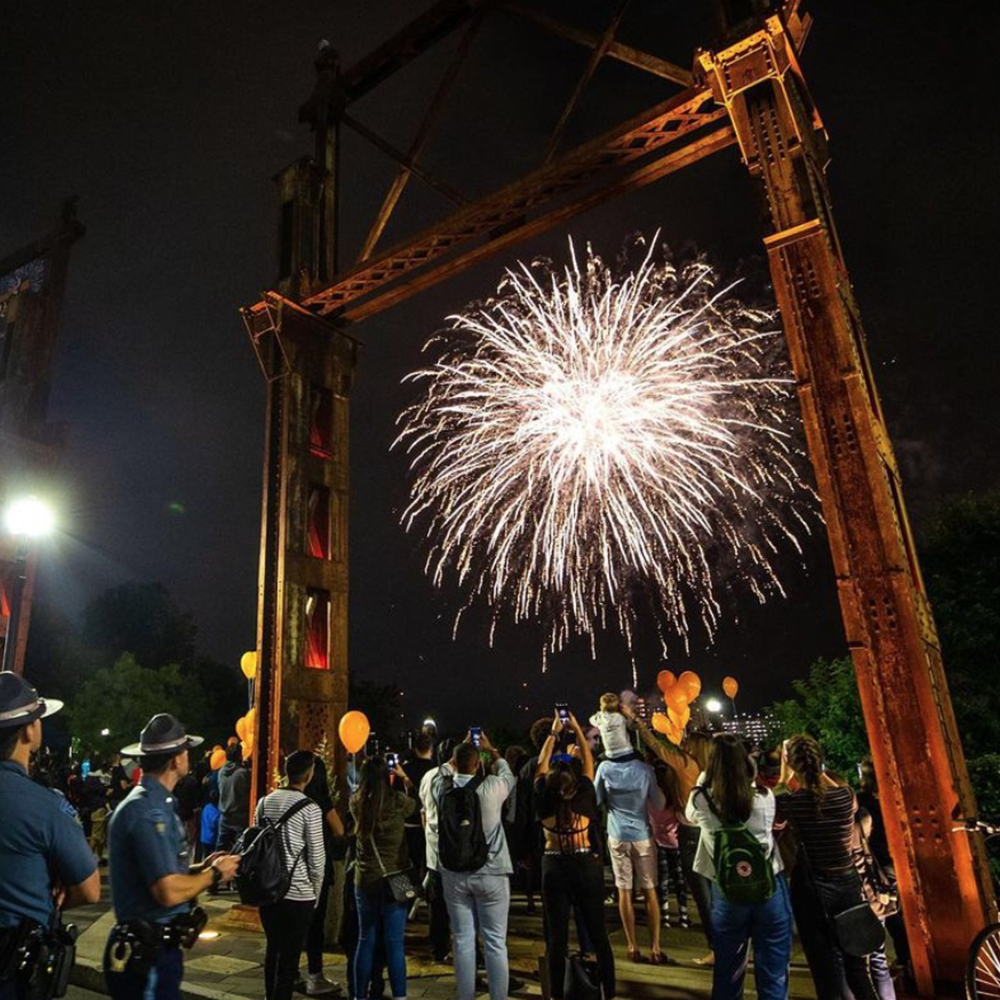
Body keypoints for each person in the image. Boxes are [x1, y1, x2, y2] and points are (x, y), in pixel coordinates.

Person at [106, 714, 240, 1000]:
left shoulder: (155, 803)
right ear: (176, 759)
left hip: (154, 948)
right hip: (147, 952)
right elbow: (166, 890)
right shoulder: (148, 811)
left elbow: (159, 870)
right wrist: (214, 874)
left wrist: (201, 867)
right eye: (185, 751)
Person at [0, 674, 101, 1000]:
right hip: (13, 967)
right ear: (29, 730)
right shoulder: (45, 805)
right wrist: (52, 892)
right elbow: (89, 889)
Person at [686, 734, 791, 1000]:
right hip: (768, 887)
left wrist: (708, 775)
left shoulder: (701, 800)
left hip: (728, 889)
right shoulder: (764, 797)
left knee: (728, 971)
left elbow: (689, 815)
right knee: (773, 971)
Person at [778, 735, 882, 1000]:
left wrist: (784, 775)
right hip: (847, 884)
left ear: (791, 764)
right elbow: (835, 793)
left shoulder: (791, 802)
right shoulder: (845, 796)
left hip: (811, 889)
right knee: (857, 969)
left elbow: (776, 814)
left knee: (825, 971)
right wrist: (819, 772)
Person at [535, 712, 615, 1000]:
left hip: (554, 864)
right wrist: (578, 731)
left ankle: (557, 993)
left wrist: (554, 733)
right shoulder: (583, 794)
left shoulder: (544, 798)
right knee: (598, 933)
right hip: (584, 864)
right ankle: (609, 990)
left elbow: (540, 766)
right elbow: (589, 763)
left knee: (557, 937)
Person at [629, 707, 715, 964]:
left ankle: (717, 949)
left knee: (703, 895)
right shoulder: (712, 769)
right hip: (713, 832)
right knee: (717, 894)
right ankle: (730, 945)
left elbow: (657, 747)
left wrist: (637, 722)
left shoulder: (685, 764)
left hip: (691, 834)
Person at [435, 733, 516, 1000]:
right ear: (477, 764)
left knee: (462, 940)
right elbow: (508, 774)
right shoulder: (492, 786)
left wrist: (459, 749)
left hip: (454, 872)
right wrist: (492, 750)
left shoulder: (441, 787)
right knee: (495, 942)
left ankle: (466, 996)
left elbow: (443, 770)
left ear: (454, 763)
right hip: (492, 871)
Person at [256, 750, 327, 1000]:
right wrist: (315, 894)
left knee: (273, 950)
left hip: (268, 888)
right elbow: (317, 858)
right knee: (289, 960)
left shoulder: (264, 802)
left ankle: (270, 995)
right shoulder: (310, 809)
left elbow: (258, 845)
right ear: (309, 775)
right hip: (298, 893)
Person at [594, 729, 665, 963]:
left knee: (624, 891)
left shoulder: (604, 768)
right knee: (650, 890)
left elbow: (596, 799)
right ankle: (655, 947)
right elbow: (659, 802)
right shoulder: (645, 770)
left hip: (617, 834)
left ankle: (632, 945)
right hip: (642, 834)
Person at [350, 755, 418, 1000]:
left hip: (366, 877)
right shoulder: (398, 801)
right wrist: (404, 778)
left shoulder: (356, 802)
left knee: (365, 938)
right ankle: (400, 995)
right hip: (395, 877)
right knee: (395, 943)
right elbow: (416, 804)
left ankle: (360, 995)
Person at [302, 754, 345, 996]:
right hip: (318, 866)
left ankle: (288, 974)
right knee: (316, 923)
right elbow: (339, 830)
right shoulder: (321, 801)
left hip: (293, 870)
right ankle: (315, 975)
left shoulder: (291, 798)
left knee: (295, 925)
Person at [648, 759, 688, 929]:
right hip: (676, 843)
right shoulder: (675, 799)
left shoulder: (650, 800)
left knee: (662, 880)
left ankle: (664, 915)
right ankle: (683, 916)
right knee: (680, 881)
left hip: (658, 843)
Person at [217, 743, 251, 852]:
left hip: (224, 815)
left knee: (220, 848)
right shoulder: (242, 773)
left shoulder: (221, 772)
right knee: (240, 849)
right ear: (240, 755)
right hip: (239, 816)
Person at [590, 693, 633, 760]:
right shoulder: (621, 718)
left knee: (598, 758)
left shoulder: (600, 718)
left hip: (610, 754)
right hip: (626, 751)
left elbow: (591, 720)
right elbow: (631, 724)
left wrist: (601, 712)